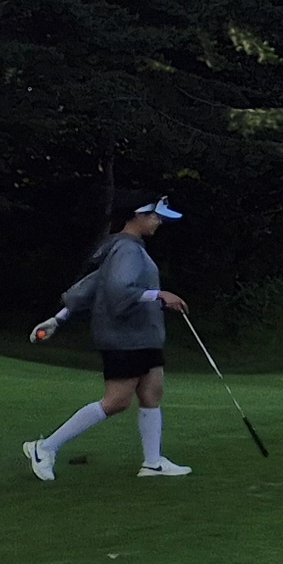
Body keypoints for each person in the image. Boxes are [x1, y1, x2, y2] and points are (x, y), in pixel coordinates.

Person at [25, 199, 196, 479]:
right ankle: (44, 448)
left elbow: (94, 285)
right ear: (136, 215)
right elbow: (118, 291)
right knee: (116, 401)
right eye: (154, 216)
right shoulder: (126, 249)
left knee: (152, 392)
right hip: (123, 337)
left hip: (143, 335)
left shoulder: (126, 247)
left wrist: (59, 318)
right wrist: (159, 295)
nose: (159, 221)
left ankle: (152, 462)